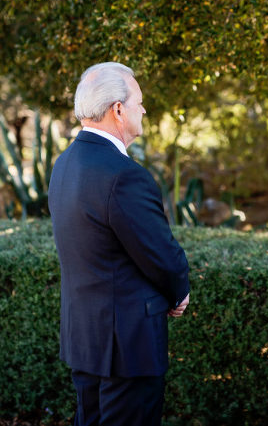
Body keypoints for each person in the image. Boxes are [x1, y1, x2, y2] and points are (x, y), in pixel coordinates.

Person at [48, 62, 191, 426]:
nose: (144, 109)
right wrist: (179, 293)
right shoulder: (124, 175)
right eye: (139, 102)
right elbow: (161, 254)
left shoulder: (63, 165)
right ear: (117, 109)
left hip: (85, 341)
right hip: (127, 350)